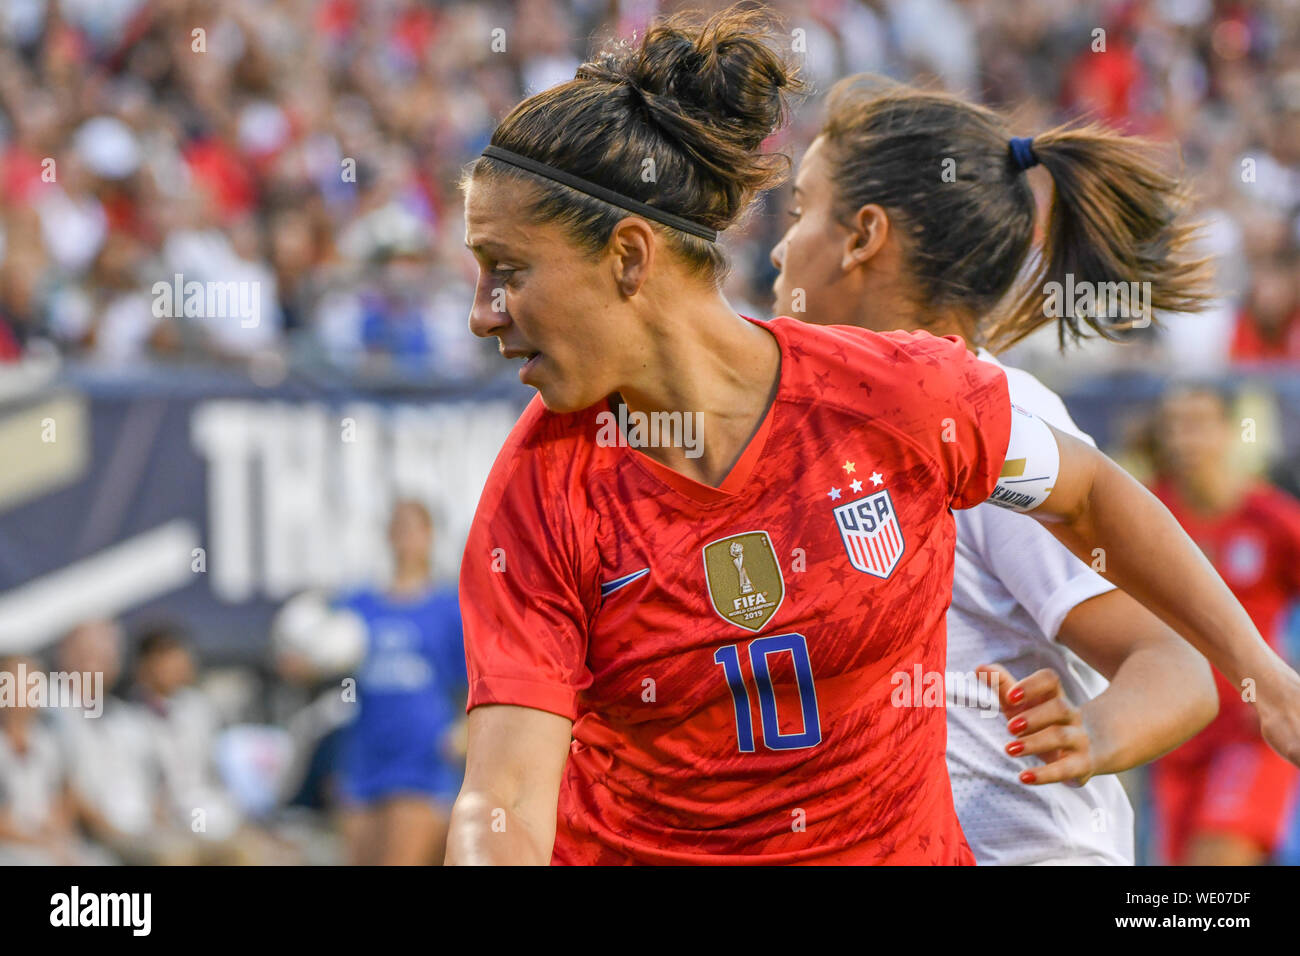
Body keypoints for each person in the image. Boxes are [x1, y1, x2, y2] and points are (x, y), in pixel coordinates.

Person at [447, 5, 1300, 866]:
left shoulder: (912, 397)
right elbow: (504, 796)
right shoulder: (538, 491)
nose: (481, 316)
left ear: (630, 257)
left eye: (507, 272)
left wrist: (1257, 679)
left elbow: (1092, 502)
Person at [768, 76, 1221, 864]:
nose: (777, 247)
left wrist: (1093, 729)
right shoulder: (810, 425)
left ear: (863, 236)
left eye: (800, 209)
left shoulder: (991, 418)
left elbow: (1176, 665)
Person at [1147, 383, 1300, 865]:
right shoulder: (1147, 513)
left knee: (1217, 862)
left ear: (1231, 432)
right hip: (1174, 732)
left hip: (1249, 731)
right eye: (1173, 424)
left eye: (1197, 423)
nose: (1183, 437)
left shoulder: (1272, 519)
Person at [336, 499, 467, 866]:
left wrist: (465, 731)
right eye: (398, 528)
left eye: (414, 529)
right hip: (365, 758)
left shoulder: (448, 608)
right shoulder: (359, 606)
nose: (405, 539)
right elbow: (319, 663)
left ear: (430, 536)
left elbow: (477, 680)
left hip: (422, 760)